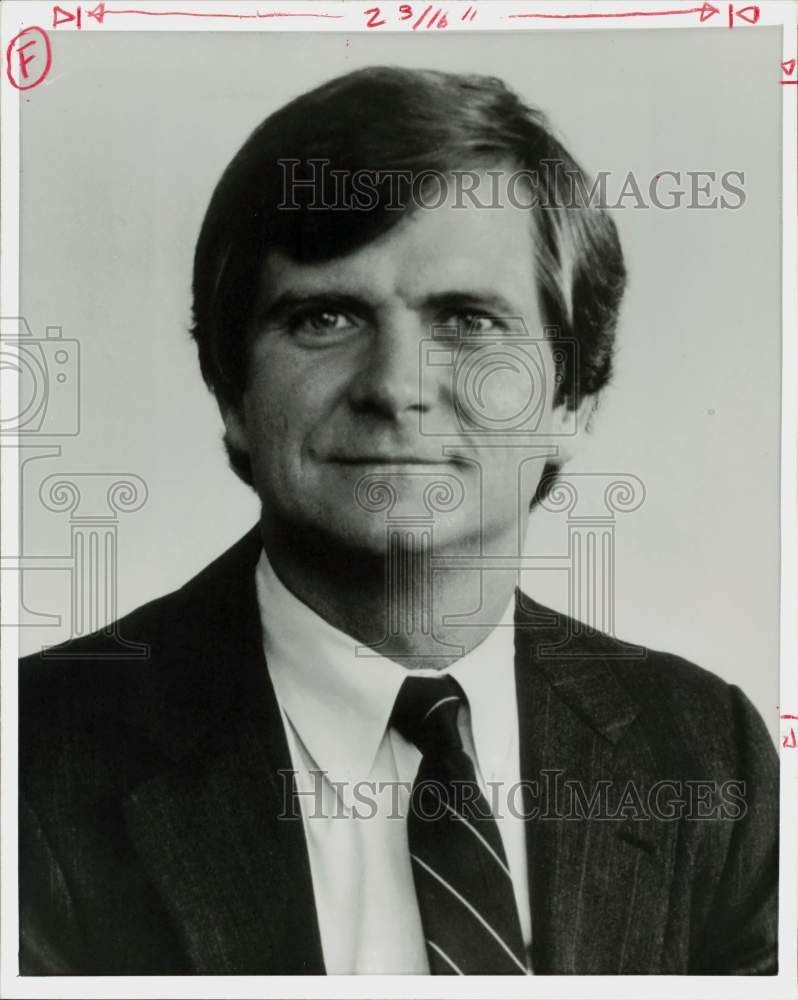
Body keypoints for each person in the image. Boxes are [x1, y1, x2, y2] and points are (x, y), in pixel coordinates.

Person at [19, 66, 778, 976]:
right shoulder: (29, 765)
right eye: (326, 316)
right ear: (232, 392)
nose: (394, 387)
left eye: (467, 320)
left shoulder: (706, 756)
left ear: (571, 397)